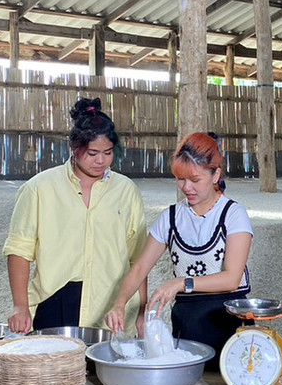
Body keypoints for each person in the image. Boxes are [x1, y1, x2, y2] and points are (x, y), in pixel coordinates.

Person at [104, 133, 253, 363]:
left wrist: (182, 283)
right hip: (187, 322)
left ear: (215, 175)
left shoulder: (234, 214)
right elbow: (140, 268)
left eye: (195, 179)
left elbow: (231, 279)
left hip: (229, 321)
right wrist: (119, 304)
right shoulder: (171, 217)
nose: (186, 187)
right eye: (181, 179)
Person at [2, 97, 146, 334]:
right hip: (55, 302)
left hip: (111, 307)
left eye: (108, 152)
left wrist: (141, 310)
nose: (101, 160)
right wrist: (20, 306)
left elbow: (138, 258)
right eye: (92, 153)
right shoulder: (39, 188)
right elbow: (19, 250)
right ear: (74, 147)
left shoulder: (126, 191)